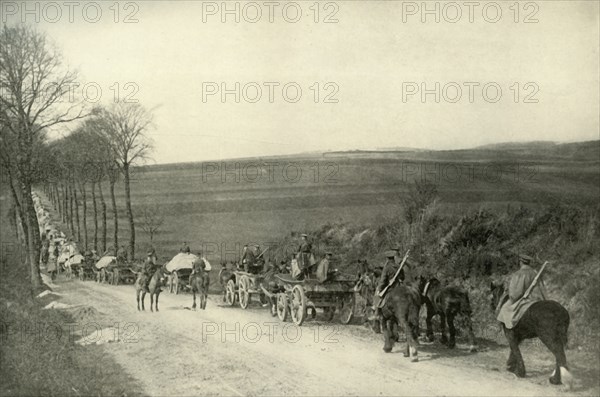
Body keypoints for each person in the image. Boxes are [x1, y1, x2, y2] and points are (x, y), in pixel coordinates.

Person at [496, 254, 547, 329]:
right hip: (538, 299)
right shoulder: (535, 273)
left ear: (520, 262)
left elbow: (516, 294)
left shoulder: (518, 274)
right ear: (528, 262)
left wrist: (511, 297)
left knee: (504, 308)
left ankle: (502, 328)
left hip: (526, 300)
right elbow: (542, 288)